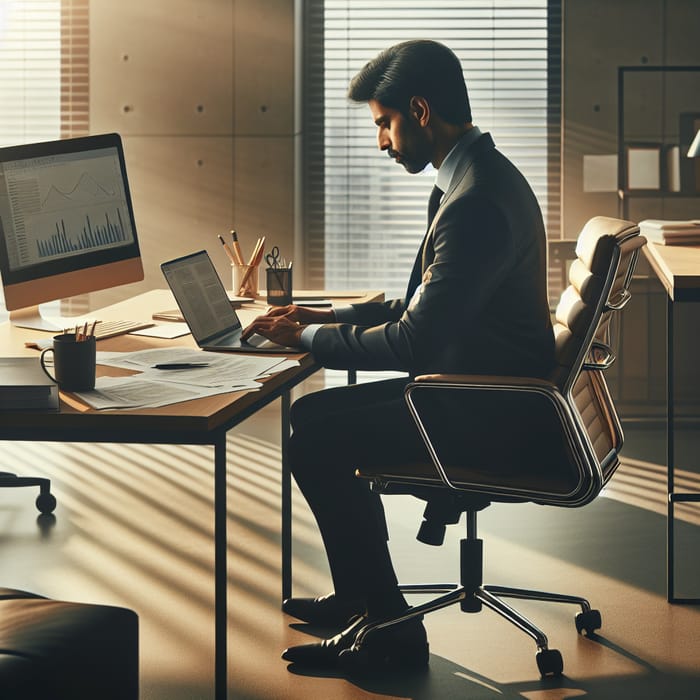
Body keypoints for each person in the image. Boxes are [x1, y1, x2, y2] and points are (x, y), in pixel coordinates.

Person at [242, 39, 555, 672]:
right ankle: (365, 598)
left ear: (419, 110)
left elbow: (416, 340)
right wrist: (322, 317)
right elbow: (422, 305)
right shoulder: (476, 177)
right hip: (478, 386)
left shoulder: (475, 204)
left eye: (384, 124)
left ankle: (390, 628)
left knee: (317, 433)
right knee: (315, 420)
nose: (381, 141)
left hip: (485, 408)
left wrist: (300, 340)